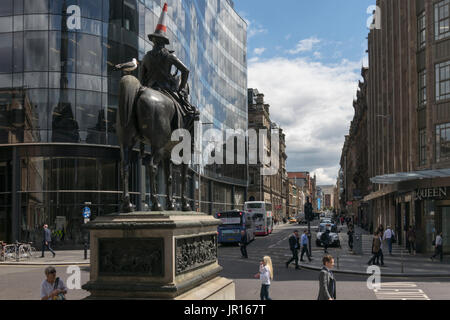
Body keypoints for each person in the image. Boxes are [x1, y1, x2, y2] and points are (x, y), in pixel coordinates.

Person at [139, 3, 199, 132]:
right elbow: (186, 71)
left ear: (153, 40)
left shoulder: (146, 57)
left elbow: (141, 79)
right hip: (166, 89)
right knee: (192, 113)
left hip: (149, 87)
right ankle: (191, 143)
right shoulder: (169, 56)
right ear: (163, 42)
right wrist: (182, 88)